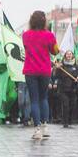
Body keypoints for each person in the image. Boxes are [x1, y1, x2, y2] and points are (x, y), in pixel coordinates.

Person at [22, 10, 58, 140]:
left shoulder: (25, 35)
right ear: (44, 22)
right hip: (44, 70)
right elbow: (55, 51)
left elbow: (27, 47)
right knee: (44, 98)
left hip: (31, 70)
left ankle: (37, 130)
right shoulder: (49, 35)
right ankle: (45, 126)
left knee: (34, 100)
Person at [52, 51, 78, 127]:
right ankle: (65, 122)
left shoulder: (75, 66)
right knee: (65, 105)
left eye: (70, 54)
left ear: (72, 56)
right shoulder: (61, 66)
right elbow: (56, 76)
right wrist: (57, 69)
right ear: (65, 56)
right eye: (67, 54)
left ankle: (70, 120)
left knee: (72, 105)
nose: (69, 55)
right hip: (63, 89)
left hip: (73, 89)